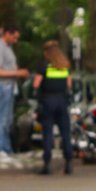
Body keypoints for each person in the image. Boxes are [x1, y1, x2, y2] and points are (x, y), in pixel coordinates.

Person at [0, 24, 30, 158]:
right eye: (14, 37)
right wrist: (17, 73)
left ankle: (6, 147)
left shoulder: (7, 48)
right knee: (1, 117)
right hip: (2, 86)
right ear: (7, 34)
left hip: (9, 86)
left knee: (7, 119)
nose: (15, 41)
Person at [34, 41, 74, 176]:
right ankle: (69, 163)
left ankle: (47, 164)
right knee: (65, 132)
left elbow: (36, 84)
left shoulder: (44, 66)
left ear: (47, 53)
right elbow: (69, 84)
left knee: (48, 132)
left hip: (48, 100)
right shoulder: (64, 65)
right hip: (62, 101)